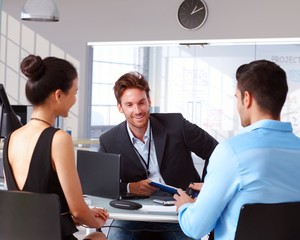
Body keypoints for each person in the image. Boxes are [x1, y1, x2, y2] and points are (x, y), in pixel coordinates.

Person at [174, 59, 300, 240]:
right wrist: (212, 188)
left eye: (237, 97)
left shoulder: (230, 153)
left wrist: (186, 206)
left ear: (247, 98)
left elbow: (195, 227)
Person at [99, 71, 218, 240]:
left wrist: (205, 187)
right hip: (134, 212)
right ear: (120, 107)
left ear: (149, 101)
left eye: (142, 103)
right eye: (130, 105)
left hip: (178, 211)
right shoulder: (108, 140)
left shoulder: (176, 124)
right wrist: (129, 187)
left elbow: (216, 151)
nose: (137, 110)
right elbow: (101, 186)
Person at [3, 54, 109, 240]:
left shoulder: (11, 138)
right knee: (99, 237)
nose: (75, 100)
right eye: (74, 93)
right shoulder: (59, 139)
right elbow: (77, 210)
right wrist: (94, 221)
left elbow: (29, 208)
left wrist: (80, 215)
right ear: (59, 95)